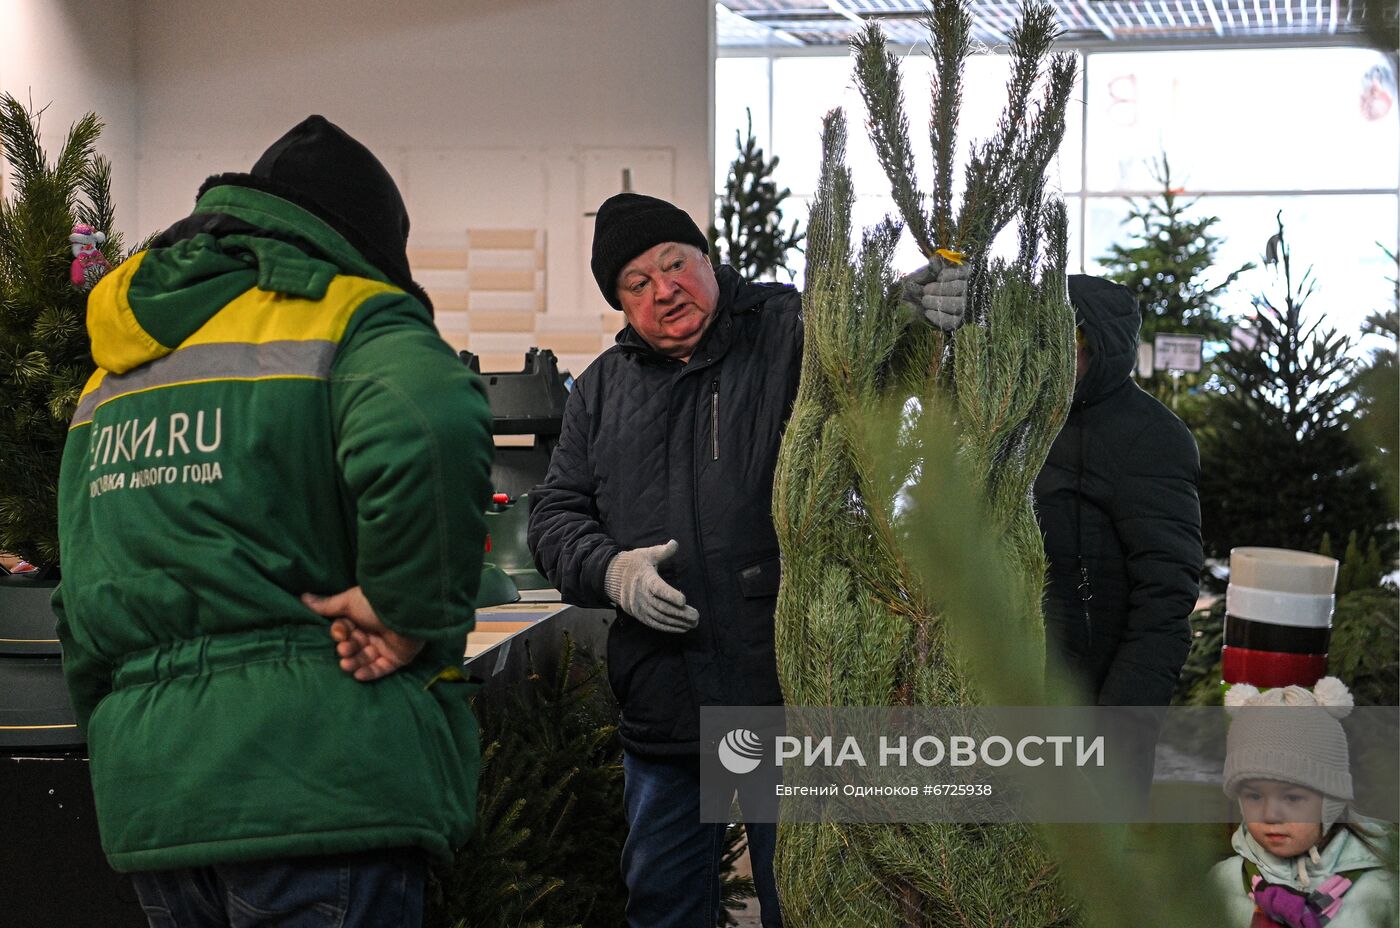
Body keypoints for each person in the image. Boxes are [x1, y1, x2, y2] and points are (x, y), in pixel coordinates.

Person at [54, 115, 494, 927]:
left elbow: (80, 586)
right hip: (318, 778)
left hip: (157, 793)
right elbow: (430, 420)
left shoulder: (117, 368)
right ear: (364, 241)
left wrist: (126, 726)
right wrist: (405, 612)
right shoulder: (349, 316)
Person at [1033, 274, 1203, 706]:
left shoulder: (1150, 436)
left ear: (1097, 345)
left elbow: (1164, 600)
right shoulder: (1022, 420)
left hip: (1091, 701)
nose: (1046, 355)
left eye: (1063, 339)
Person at [1209, 677, 1396, 926]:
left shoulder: (1384, 890)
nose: (1270, 814)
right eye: (1254, 796)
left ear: (1331, 800)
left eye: (1292, 797)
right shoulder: (1222, 884)